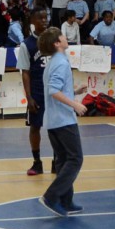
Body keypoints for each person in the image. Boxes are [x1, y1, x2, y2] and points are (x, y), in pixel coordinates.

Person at [37, 27, 88, 217]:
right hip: (63, 119)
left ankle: (66, 201)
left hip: (52, 120)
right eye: (62, 36)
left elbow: (56, 89)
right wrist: (75, 104)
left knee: (63, 160)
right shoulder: (61, 64)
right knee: (75, 159)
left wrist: (74, 91)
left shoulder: (52, 63)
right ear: (57, 43)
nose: (65, 38)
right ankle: (52, 196)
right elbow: (53, 91)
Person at [18, 8, 50, 176]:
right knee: (35, 127)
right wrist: (28, 97)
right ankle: (37, 162)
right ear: (33, 21)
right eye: (41, 18)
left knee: (56, 128)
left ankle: (56, 160)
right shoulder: (27, 44)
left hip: (54, 92)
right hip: (37, 92)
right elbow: (25, 72)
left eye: (46, 17)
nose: (44, 20)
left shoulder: (55, 40)